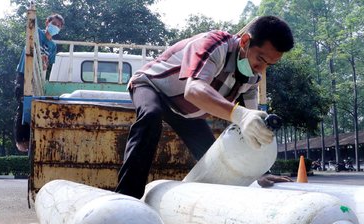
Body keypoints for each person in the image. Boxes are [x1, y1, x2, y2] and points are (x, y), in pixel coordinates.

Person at [115, 16, 295, 199]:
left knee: (215, 159)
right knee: (150, 117)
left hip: (186, 112)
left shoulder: (252, 78)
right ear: (245, 41)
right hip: (153, 86)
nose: (260, 69)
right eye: (260, 59)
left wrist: (261, 172)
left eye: (268, 65)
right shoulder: (214, 45)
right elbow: (193, 90)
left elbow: (251, 127)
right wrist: (239, 115)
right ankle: (126, 199)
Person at [14, 14, 65, 152]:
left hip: (36, 78)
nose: (56, 27)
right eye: (54, 23)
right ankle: (20, 139)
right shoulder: (36, 33)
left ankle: (30, 139)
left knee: (33, 107)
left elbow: (47, 66)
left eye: (59, 26)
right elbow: (29, 48)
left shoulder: (53, 46)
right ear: (47, 22)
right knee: (22, 102)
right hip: (25, 73)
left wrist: (44, 63)